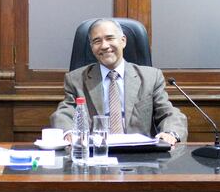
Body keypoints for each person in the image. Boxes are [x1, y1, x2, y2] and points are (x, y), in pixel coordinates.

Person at [50, 18, 187, 145]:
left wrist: (170, 133)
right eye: (97, 41)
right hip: (96, 152)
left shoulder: (150, 77)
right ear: (91, 47)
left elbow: (168, 112)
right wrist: (69, 132)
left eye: (110, 38)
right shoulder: (76, 79)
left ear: (123, 41)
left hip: (139, 154)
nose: (104, 46)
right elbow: (64, 112)